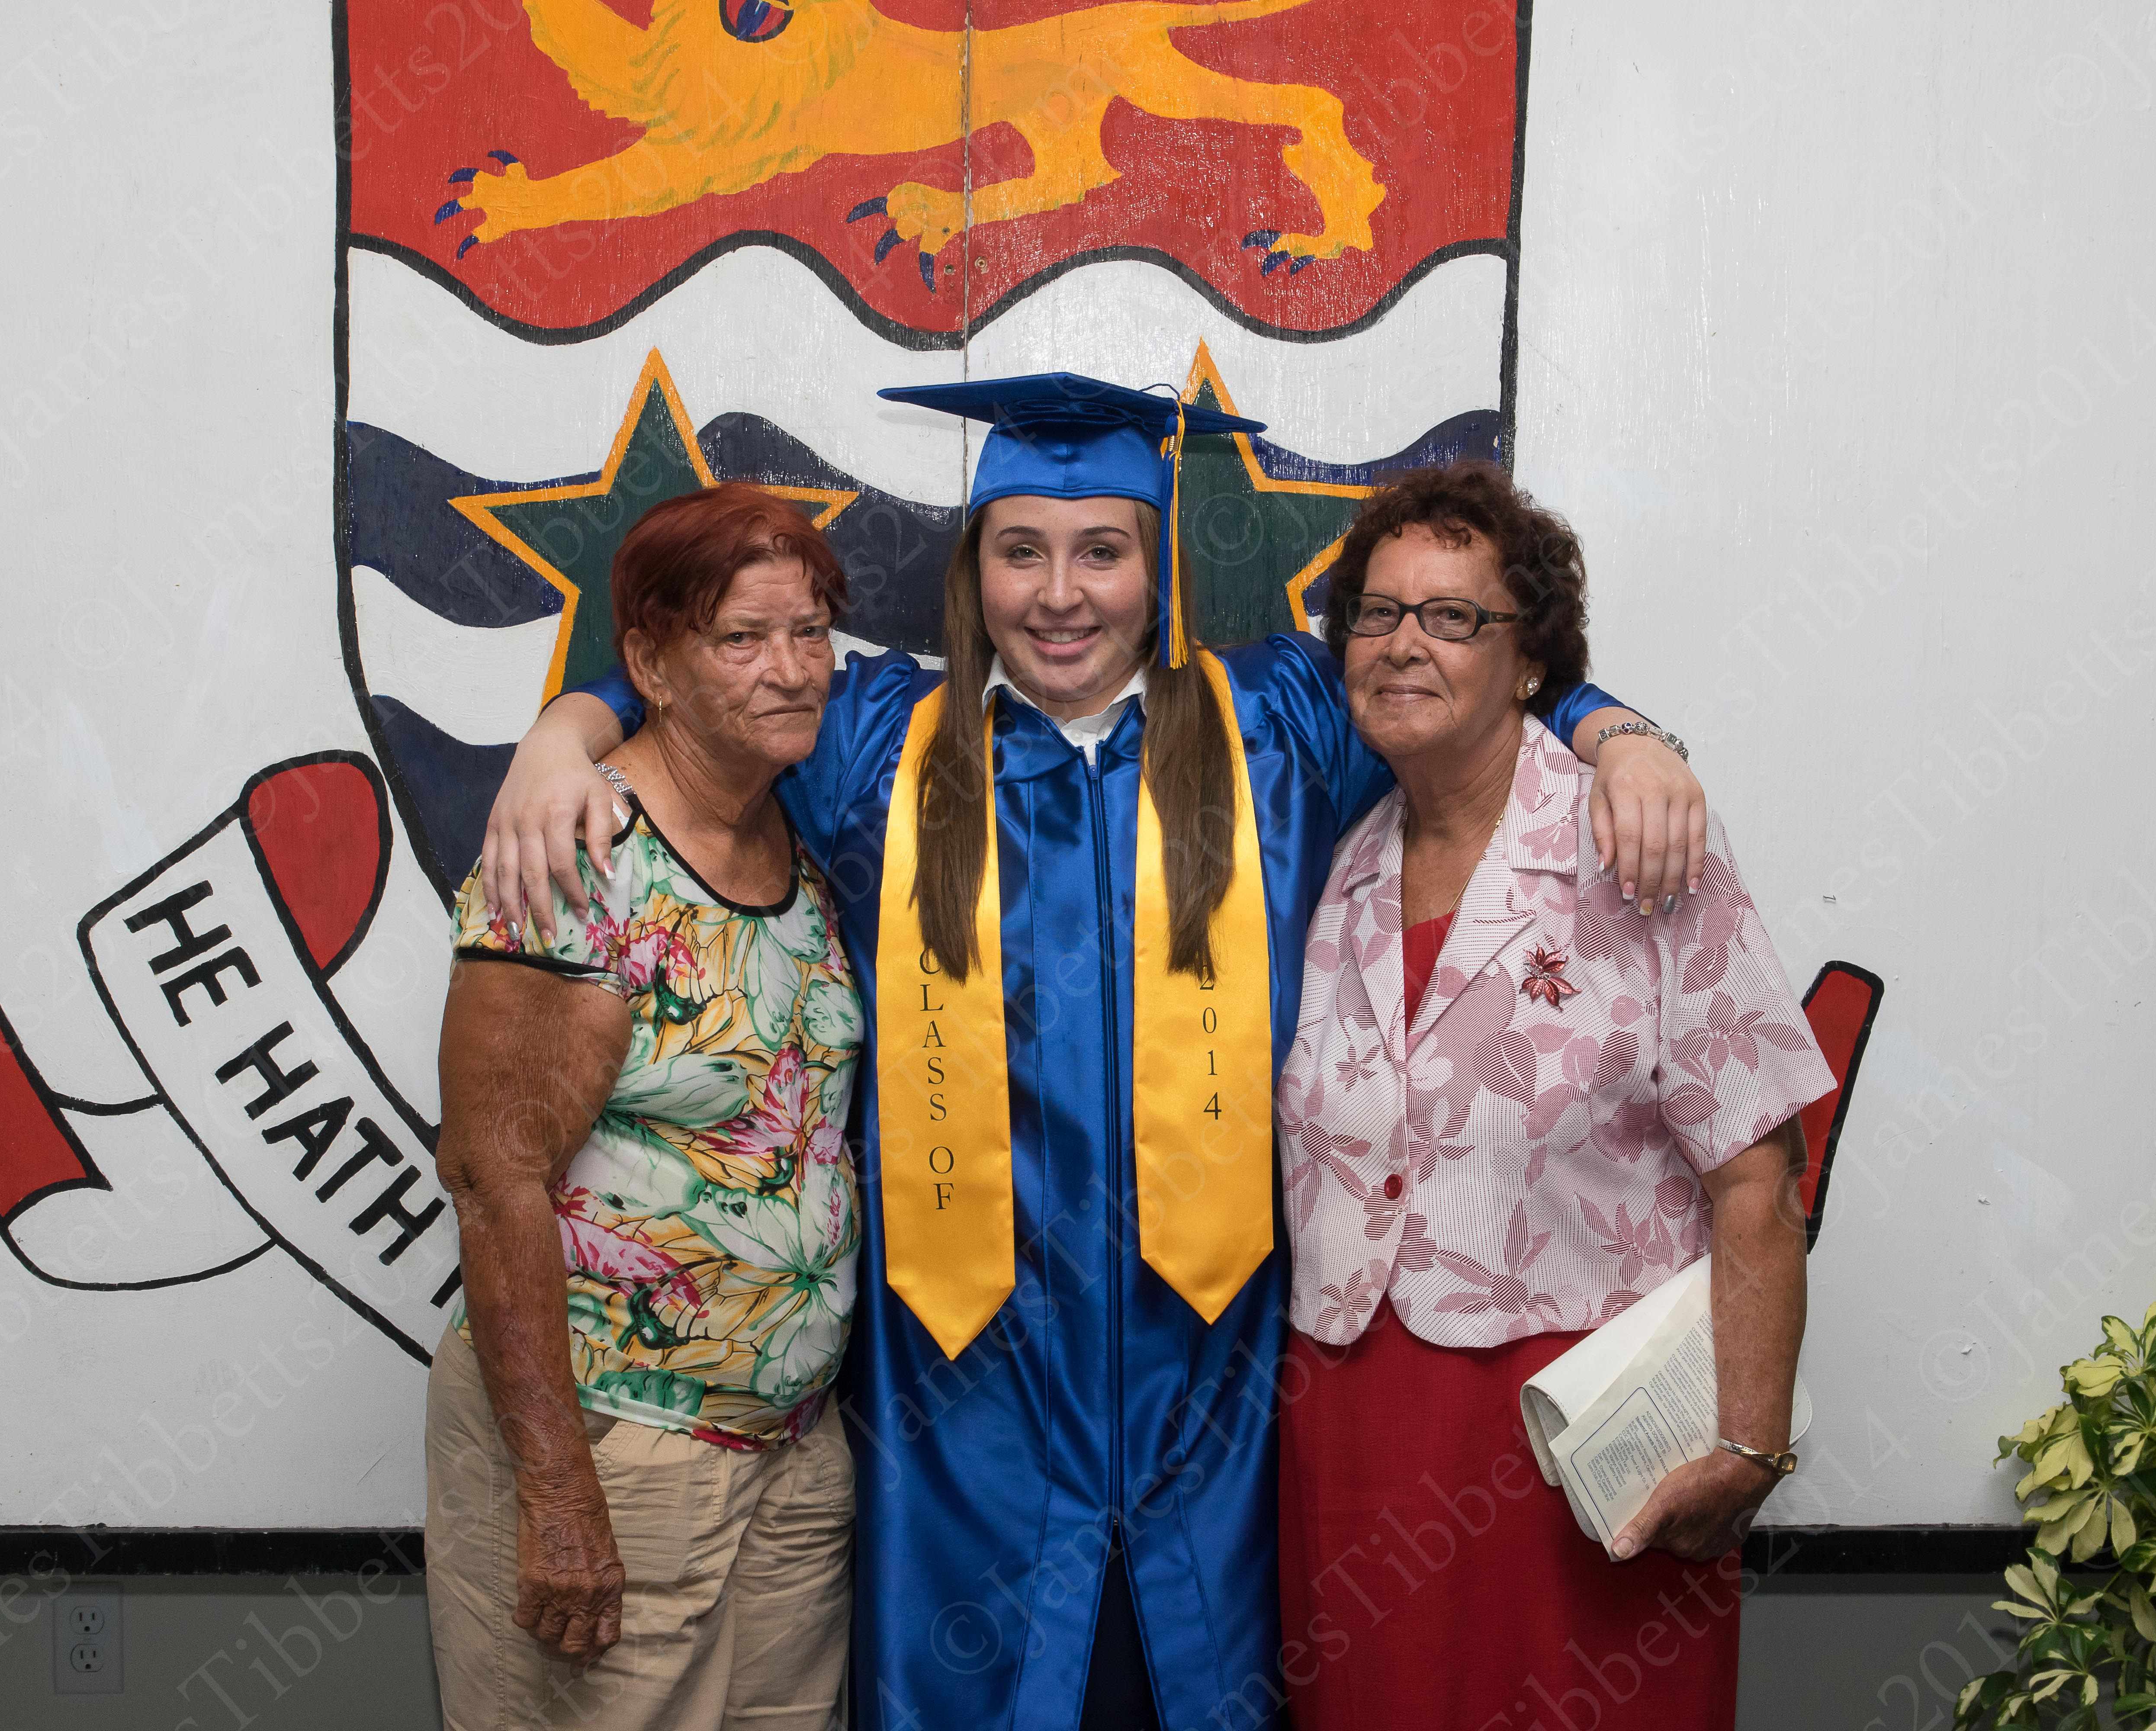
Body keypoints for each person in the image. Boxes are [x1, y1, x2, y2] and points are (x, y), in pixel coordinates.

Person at [479, 375, 1713, 1731]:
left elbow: (1461, 671)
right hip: (963, 1407)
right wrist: (565, 732)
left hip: (1219, 1400)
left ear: (1156, 568)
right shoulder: (878, 746)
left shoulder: (1279, 727)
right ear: (975, 571)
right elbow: (712, 676)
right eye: (1022, 551)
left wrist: (1620, 738)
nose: (1060, 595)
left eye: (1102, 552)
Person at [1273, 463, 1835, 1729]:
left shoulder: (1638, 844)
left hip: (1573, 1440)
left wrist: (1750, 1447)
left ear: (1532, 664)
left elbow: (1760, 1177)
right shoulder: (1341, 863)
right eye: (1377, 613)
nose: (1404, 643)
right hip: (1354, 1433)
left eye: (1453, 616)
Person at [427, 484, 864, 1731]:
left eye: (811, 632)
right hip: (614, 1447)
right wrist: (560, 1495)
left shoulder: (801, 835)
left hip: (791, 1457)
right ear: (653, 667)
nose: (791, 670)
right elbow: (494, 1178)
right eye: (742, 639)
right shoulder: (575, 853)